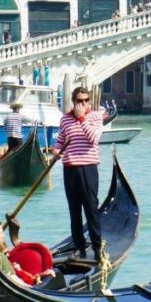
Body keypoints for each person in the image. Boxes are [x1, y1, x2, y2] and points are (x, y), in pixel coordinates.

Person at [52, 86, 104, 259]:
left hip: (89, 168)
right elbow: (60, 142)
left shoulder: (95, 116)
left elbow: (94, 139)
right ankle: (80, 248)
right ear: (73, 102)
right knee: (74, 211)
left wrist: (82, 119)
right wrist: (55, 151)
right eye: (79, 101)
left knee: (91, 209)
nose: (83, 104)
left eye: (86, 101)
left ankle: (97, 248)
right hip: (70, 169)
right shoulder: (65, 120)